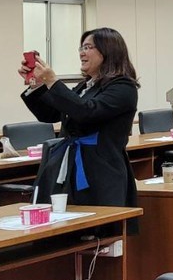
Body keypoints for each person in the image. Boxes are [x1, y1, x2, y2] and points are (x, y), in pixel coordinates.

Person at [17, 28, 140, 210]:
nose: (82, 53)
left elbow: (86, 112)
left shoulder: (123, 87)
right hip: (71, 166)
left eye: (88, 47)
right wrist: (38, 85)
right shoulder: (85, 86)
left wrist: (53, 82)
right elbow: (51, 114)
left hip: (101, 170)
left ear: (108, 51)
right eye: (81, 48)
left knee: (99, 222)